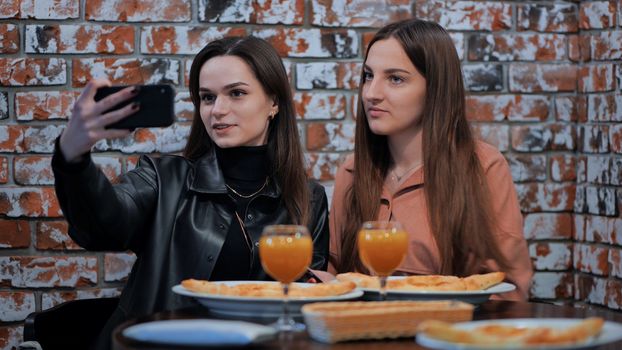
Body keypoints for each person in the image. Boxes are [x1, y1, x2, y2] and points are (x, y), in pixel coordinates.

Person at [52, 36, 329, 349]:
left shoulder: (309, 198)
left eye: (236, 93)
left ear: (274, 102)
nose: (217, 110)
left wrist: (323, 289)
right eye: (207, 98)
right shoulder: (163, 178)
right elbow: (102, 226)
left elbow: (305, 302)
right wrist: (72, 156)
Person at [328, 19, 532, 300]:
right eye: (367, 76)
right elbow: (338, 278)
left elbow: (509, 289)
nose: (372, 93)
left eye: (395, 78)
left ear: (435, 87)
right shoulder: (351, 172)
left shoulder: (482, 167)